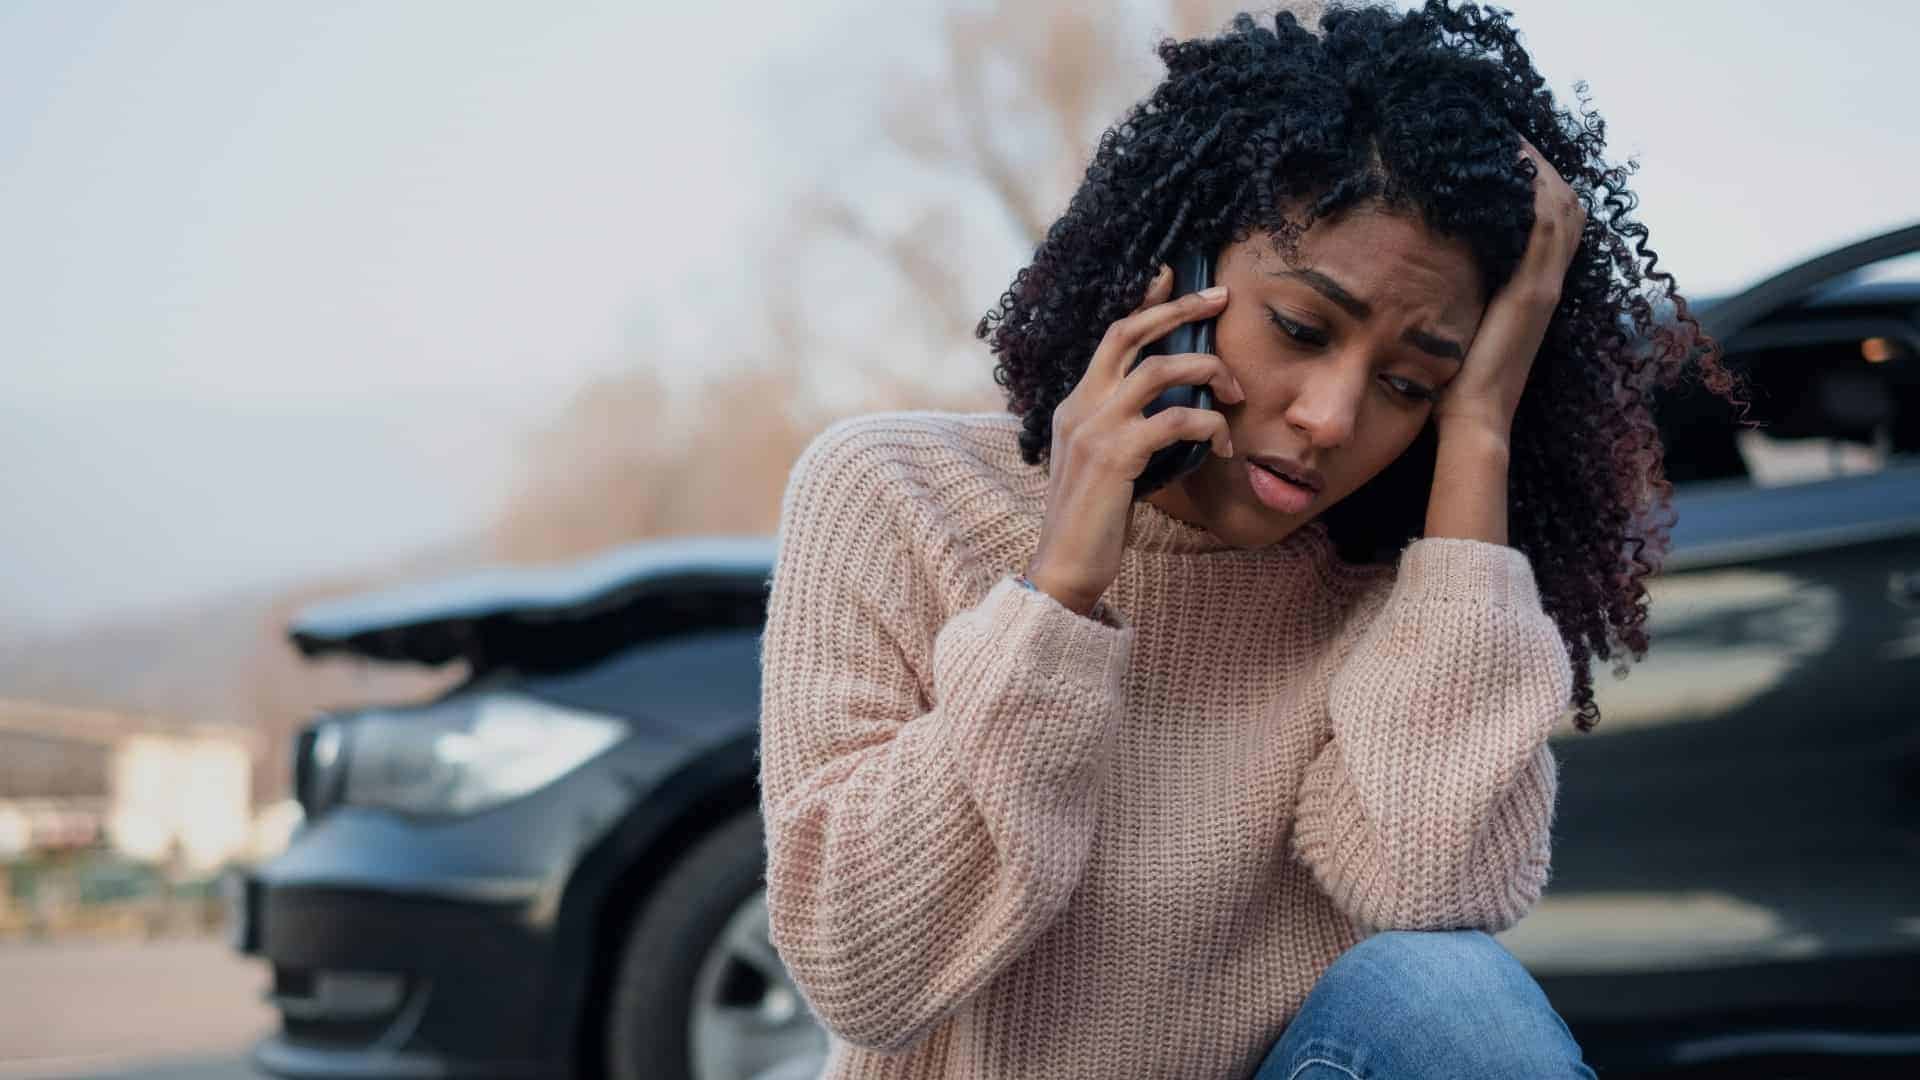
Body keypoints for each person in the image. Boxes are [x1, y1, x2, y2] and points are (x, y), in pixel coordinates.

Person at [755, 3, 1738, 1078]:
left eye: (1409, 383)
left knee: (1447, 990)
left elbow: (1434, 887)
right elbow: (861, 967)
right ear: (1171, 274)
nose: (1330, 416)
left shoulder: (1403, 585)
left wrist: (1480, 428)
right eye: (1302, 330)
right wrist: (1058, 594)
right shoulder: (894, 491)